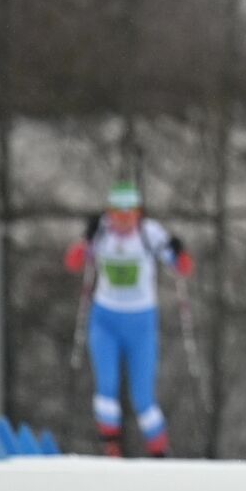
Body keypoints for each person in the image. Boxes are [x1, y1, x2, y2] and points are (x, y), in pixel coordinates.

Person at [63, 180, 194, 458]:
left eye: (129, 213)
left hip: (141, 324)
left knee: (143, 396)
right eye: (117, 213)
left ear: (138, 213)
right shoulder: (101, 233)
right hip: (105, 321)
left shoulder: (150, 233)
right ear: (109, 213)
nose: (123, 220)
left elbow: (183, 267)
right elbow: (73, 262)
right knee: (106, 385)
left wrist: (177, 250)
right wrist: (85, 240)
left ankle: (159, 451)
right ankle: (111, 448)